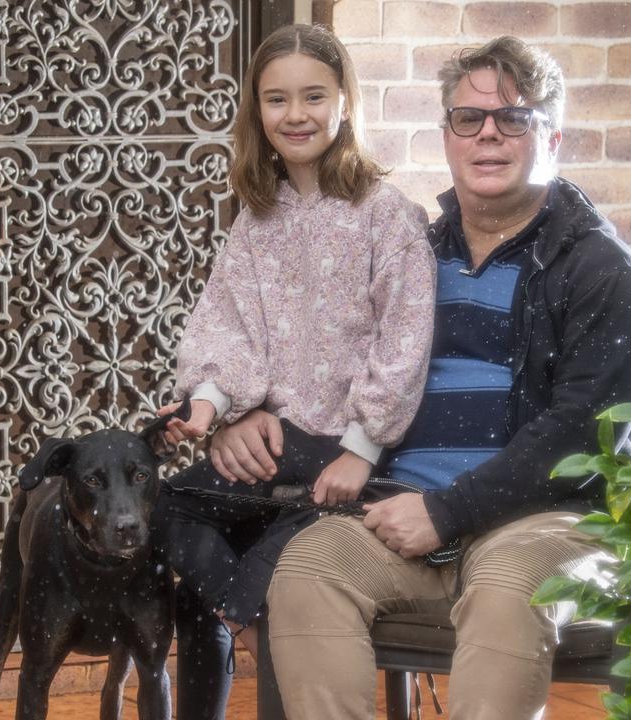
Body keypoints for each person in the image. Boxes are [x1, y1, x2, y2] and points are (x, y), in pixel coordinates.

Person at [208, 36, 631, 719]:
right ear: (446, 134)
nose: (489, 136)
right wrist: (243, 410)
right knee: (306, 569)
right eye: (468, 119)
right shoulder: (411, 248)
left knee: (509, 584)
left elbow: (583, 437)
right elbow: (311, 351)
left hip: (549, 522)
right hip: (401, 511)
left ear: (553, 136)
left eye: (514, 119)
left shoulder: (600, 271)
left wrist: (449, 511)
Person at [152, 23, 437, 718]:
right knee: (159, 511)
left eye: (314, 96)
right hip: (272, 446)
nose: (297, 115)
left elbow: (405, 342)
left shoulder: (388, 218)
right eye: (277, 100)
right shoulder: (256, 220)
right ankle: (245, 616)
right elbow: (229, 327)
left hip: (347, 455)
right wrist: (211, 411)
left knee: (279, 561)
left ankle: (250, 611)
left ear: (345, 102)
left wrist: (362, 448)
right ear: (258, 112)